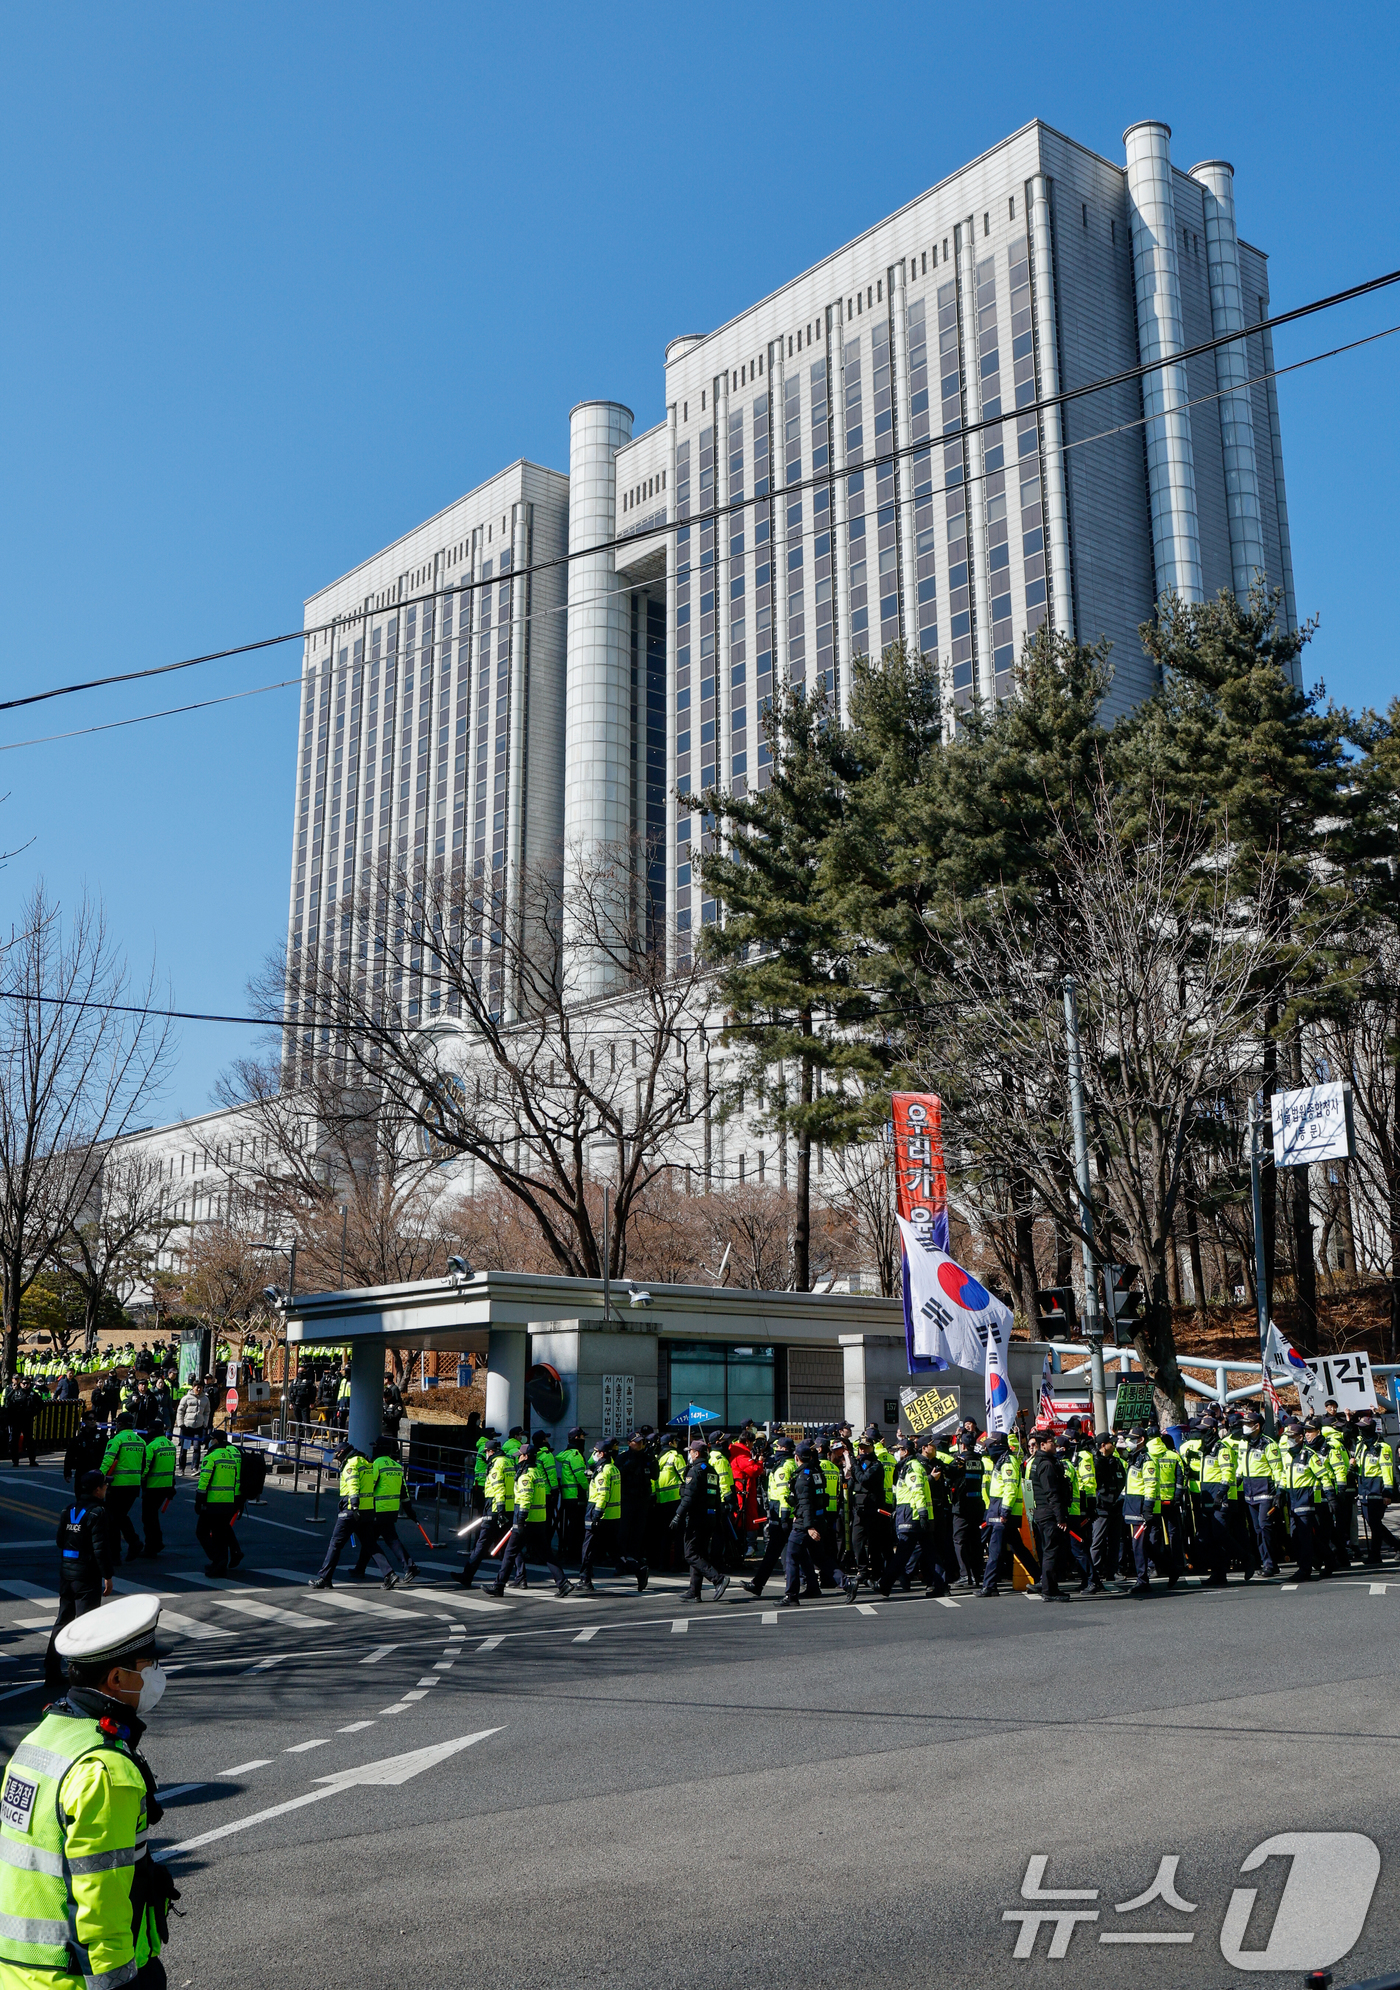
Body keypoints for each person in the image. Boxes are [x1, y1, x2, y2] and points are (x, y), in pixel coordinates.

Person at [1, 1593, 180, 1990]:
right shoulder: (104, 1770)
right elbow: (100, 1904)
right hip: (75, 1980)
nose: (156, 1673)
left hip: (21, 1973)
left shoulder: (40, 1740)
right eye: (148, 1665)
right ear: (116, 1679)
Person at [44, 1470, 115, 1689]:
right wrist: (108, 1576)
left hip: (67, 1573)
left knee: (63, 1620)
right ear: (96, 1490)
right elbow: (100, 1549)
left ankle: (51, 1668)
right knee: (86, 1624)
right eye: (104, 1486)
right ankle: (84, 1673)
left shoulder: (69, 1510)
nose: (106, 1488)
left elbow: (59, 1541)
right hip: (86, 1575)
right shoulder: (98, 1512)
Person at [309, 1441, 391, 1588]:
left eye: (337, 1455)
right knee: (370, 1544)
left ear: (342, 1453)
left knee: (335, 1544)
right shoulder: (366, 1462)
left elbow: (353, 1485)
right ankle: (390, 1574)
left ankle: (325, 1578)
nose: (337, 1459)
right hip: (368, 1510)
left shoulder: (351, 1465)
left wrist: (353, 1505)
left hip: (352, 1511)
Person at [493, 1443, 571, 1597]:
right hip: (538, 1521)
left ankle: (499, 1586)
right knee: (546, 1554)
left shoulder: (526, 1475)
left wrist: (520, 1520)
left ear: (526, 1456)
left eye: (520, 1455)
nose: (518, 1459)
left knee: (510, 1553)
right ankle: (563, 1583)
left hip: (526, 1521)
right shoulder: (537, 1473)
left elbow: (525, 1498)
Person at [673, 1437, 729, 1602]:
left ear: (696, 1453)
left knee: (690, 1554)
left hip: (697, 1517)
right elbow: (717, 1496)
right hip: (710, 1516)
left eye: (690, 1451)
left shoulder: (695, 1471)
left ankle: (718, 1579)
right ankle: (694, 1591)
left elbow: (688, 1497)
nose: (689, 1454)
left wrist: (678, 1515)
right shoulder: (711, 1470)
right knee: (700, 1553)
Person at [354, 1439, 419, 1584]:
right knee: (372, 1539)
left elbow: (370, 1486)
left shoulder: (376, 1464)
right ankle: (359, 1568)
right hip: (392, 1509)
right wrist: (410, 1511)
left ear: (378, 1450)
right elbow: (404, 1491)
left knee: (375, 1540)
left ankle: (409, 1567)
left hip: (377, 1509)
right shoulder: (396, 1466)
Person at [742, 1436, 797, 1600]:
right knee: (780, 1553)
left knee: (786, 1554)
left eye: (777, 1448)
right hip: (778, 1514)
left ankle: (760, 1584)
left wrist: (784, 1516)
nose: (775, 1450)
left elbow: (784, 1494)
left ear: (784, 1450)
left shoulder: (785, 1467)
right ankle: (758, 1584)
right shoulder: (781, 1464)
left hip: (782, 1516)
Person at [845, 1434, 888, 1602]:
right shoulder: (860, 1464)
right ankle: (863, 1571)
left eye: (865, 1448)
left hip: (873, 1509)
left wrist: (854, 1465)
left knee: (875, 1545)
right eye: (860, 1448)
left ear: (872, 1448)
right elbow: (852, 1484)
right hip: (859, 1510)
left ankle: (876, 1576)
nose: (862, 1450)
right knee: (856, 1541)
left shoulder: (876, 1465)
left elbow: (863, 1479)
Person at [1028, 1432, 1071, 1599]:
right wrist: (1060, 1518)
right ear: (1043, 1445)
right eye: (1051, 1442)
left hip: (1043, 1513)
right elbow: (1052, 1493)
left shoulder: (1039, 1461)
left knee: (1049, 1551)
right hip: (1049, 1514)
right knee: (1050, 1552)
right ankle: (1049, 1590)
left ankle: (1049, 1587)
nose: (1054, 1444)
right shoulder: (1046, 1464)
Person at [101, 1413, 147, 1561]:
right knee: (120, 1516)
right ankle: (131, 1544)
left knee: (112, 1518)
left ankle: (119, 1550)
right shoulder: (141, 1441)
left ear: (119, 1424)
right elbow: (144, 1464)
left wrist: (99, 1477)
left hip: (117, 1484)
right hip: (134, 1485)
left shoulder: (116, 1440)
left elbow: (108, 1460)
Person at [578, 1440, 622, 1595]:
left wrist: (596, 1514)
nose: (594, 1455)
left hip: (599, 1513)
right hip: (612, 1515)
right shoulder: (614, 1468)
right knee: (613, 1549)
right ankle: (638, 1569)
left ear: (602, 1453)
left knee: (588, 1547)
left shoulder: (604, 1471)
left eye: (596, 1452)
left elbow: (603, 1494)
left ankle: (585, 1579)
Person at [195, 1431, 241, 1577]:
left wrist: (199, 1500)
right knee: (220, 1534)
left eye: (211, 1439)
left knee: (201, 1531)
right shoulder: (231, 1458)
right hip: (228, 1502)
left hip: (213, 1502)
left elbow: (204, 1481)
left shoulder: (211, 1457)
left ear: (215, 1441)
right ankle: (219, 1565)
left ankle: (218, 1559)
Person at [1356, 1412, 1397, 1562]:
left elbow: (1387, 1471)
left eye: (1364, 1428)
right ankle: (1393, 1547)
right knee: (1373, 1523)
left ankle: (1376, 1554)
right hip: (1364, 1489)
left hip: (1377, 1489)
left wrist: (1387, 1492)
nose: (1361, 1430)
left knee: (1374, 1523)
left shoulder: (1382, 1447)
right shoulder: (1361, 1445)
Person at [1122, 1427, 1159, 1595]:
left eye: (1132, 1438)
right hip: (1132, 1506)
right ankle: (1171, 1568)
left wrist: (1147, 1509)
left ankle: (1142, 1581)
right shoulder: (1133, 1458)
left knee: (1138, 1545)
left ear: (1141, 1440)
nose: (1129, 1441)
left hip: (1140, 1508)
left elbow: (1151, 1486)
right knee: (1144, 1545)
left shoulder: (1146, 1460)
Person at [615, 1432, 652, 1591]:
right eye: (637, 1442)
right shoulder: (623, 1458)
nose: (641, 1444)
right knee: (623, 1533)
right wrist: (627, 1466)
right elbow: (617, 1475)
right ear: (630, 1443)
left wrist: (652, 1460)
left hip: (642, 1500)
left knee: (639, 1533)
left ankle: (635, 1563)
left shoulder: (646, 1457)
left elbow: (655, 1476)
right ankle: (621, 1563)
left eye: (642, 1442)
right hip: (627, 1499)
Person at [139, 1424, 177, 1560]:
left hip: (152, 1486)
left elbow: (145, 1467)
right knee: (153, 1517)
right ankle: (156, 1543)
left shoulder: (152, 1446)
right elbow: (172, 1467)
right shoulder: (170, 1445)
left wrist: (141, 1481)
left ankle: (152, 1546)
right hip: (165, 1486)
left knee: (148, 1518)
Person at [556, 1427, 589, 1563]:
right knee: (577, 1526)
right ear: (577, 1438)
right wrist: (589, 1488)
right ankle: (574, 1553)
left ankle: (570, 1551)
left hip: (568, 1496)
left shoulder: (566, 1454)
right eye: (582, 1436)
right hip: (576, 1496)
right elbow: (581, 1476)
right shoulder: (575, 1455)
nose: (584, 1439)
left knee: (572, 1525)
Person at [175, 1378, 211, 1474]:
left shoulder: (205, 1399)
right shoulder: (186, 1398)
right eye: (197, 1387)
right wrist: (181, 1424)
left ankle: (195, 1468)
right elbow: (180, 1411)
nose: (199, 1390)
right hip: (187, 1427)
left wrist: (205, 1423)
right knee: (184, 1448)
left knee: (197, 1447)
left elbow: (207, 1412)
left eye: (200, 1388)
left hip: (198, 1427)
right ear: (193, 1387)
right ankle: (181, 1468)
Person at [6, 1377, 38, 1467]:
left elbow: (41, 1405)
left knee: (29, 1441)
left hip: (27, 1420)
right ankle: (15, 1461)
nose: (25, 1385)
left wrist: (33, 1413)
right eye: (23, 1383)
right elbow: (7, 1401)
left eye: (27, 1383)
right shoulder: (16, 1393)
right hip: (17, 1420)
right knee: (14, 1441)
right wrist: (13, 1391)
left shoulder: (32, 1394)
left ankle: (32, 1460)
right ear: (20, 1384)